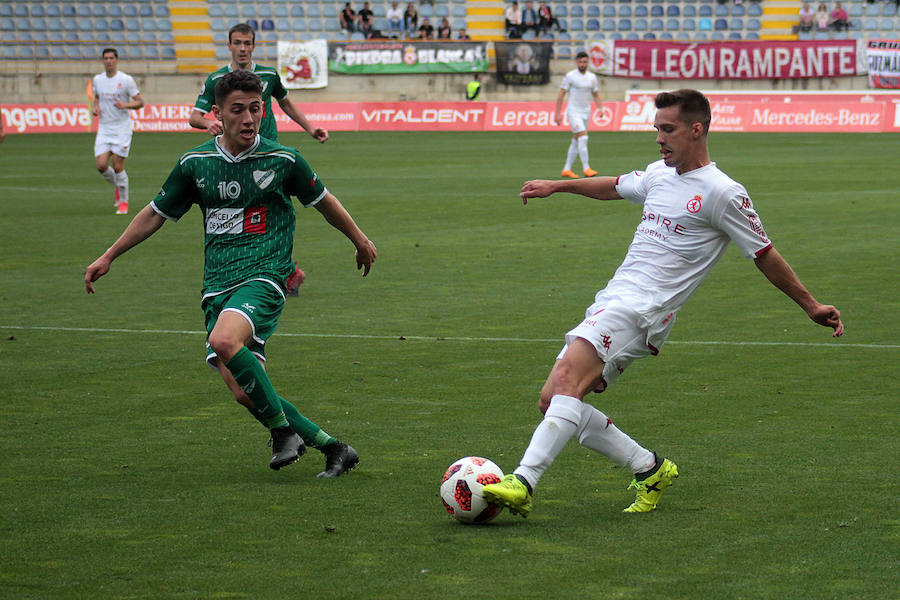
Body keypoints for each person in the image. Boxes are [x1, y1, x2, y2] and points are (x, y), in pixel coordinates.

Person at [481, 89, 844, 518]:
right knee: (554, 401)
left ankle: (523, 481)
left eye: (667, 129)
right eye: (656, 128)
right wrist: (558, 186)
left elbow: (763, 253)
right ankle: (649, 468)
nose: (659, 138)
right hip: (613, 298)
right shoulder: (659, 174)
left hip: (643, 311)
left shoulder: (723, 193)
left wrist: (810, 304)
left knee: (565, 380)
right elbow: (614, 185)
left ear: (696, 130)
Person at [85, 70, 378, 477]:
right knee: (245, 391)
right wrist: (109, 255)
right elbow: (155, 213)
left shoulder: (284, 159)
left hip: (264, 276)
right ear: (217, 115)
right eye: (237, 110)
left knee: (223, 340)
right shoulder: (196, 163)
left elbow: (324, 201)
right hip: (216, 286)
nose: (248, 118)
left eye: (255, 109)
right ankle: (334, 447)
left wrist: (360, 240)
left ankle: (282, 433)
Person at [189, 23, 328, 296]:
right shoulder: (216, 80)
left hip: (267, 157)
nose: (242, 48)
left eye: (247, 43)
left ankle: (280, 271)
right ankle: (281, 271)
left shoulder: (269, 75)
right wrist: (208, 124)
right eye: (237, 43)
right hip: (234, 159)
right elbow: (194, 116)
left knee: (276, 212)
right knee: (244, 218)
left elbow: (286, 102)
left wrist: (311, 128)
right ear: (229, 45)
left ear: (254, 45)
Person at [92, 48, 144, 215]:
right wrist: (95, 107)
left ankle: (123, 202)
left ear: (117, 60)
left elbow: (140, 102)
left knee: (117, 166)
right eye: (106, 58)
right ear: (103, 61)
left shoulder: (126, 80)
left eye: (111, 58)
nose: (109, 61)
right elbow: (97, 97)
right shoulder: (97, 80)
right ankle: (118, 185)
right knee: (101, 166)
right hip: (104, 128)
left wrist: (125, 105)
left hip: (122, 129)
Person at [554, 51, 601, 179]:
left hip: (586, 112)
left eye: (585, 62)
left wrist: (600, 108)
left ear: (588, 62)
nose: (582, 64)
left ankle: (566, 169)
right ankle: (586, 168)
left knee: (576, 141)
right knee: (583, 138)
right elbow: (561, 94)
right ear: (576, 62)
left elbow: (595, 94)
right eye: (580, 62)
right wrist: (557, 114)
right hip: (573, 112)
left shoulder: (592, 77)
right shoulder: (570, 76)